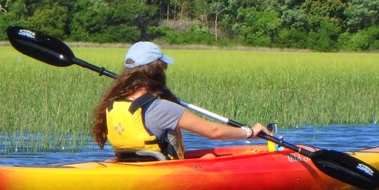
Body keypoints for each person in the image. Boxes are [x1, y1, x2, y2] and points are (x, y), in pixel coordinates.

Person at [92, 41, 269, 160]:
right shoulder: (162, 108)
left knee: (207, 156)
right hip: (160, 170)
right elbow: (213, 131)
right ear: (157, 70)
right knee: (210, 159)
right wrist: (250, 132)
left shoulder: (114, 104)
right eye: (164, 66)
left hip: (129, 165)